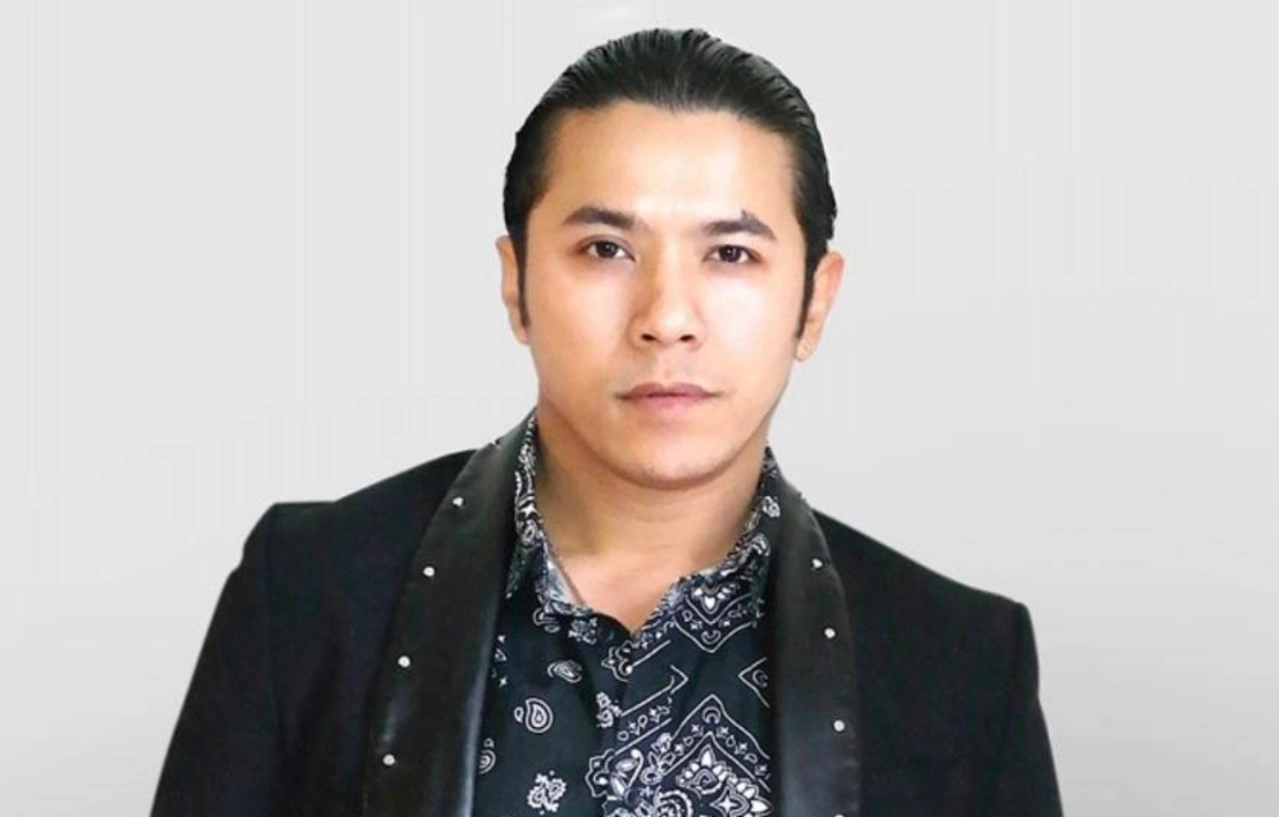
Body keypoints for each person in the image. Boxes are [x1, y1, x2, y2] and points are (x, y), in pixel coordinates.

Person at [151, 27, 1063, 817]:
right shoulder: (308, 596)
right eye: (605, 248)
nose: (667, 316)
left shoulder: (960, 667)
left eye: (731, 253)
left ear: (814, 302)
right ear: (516, 284)